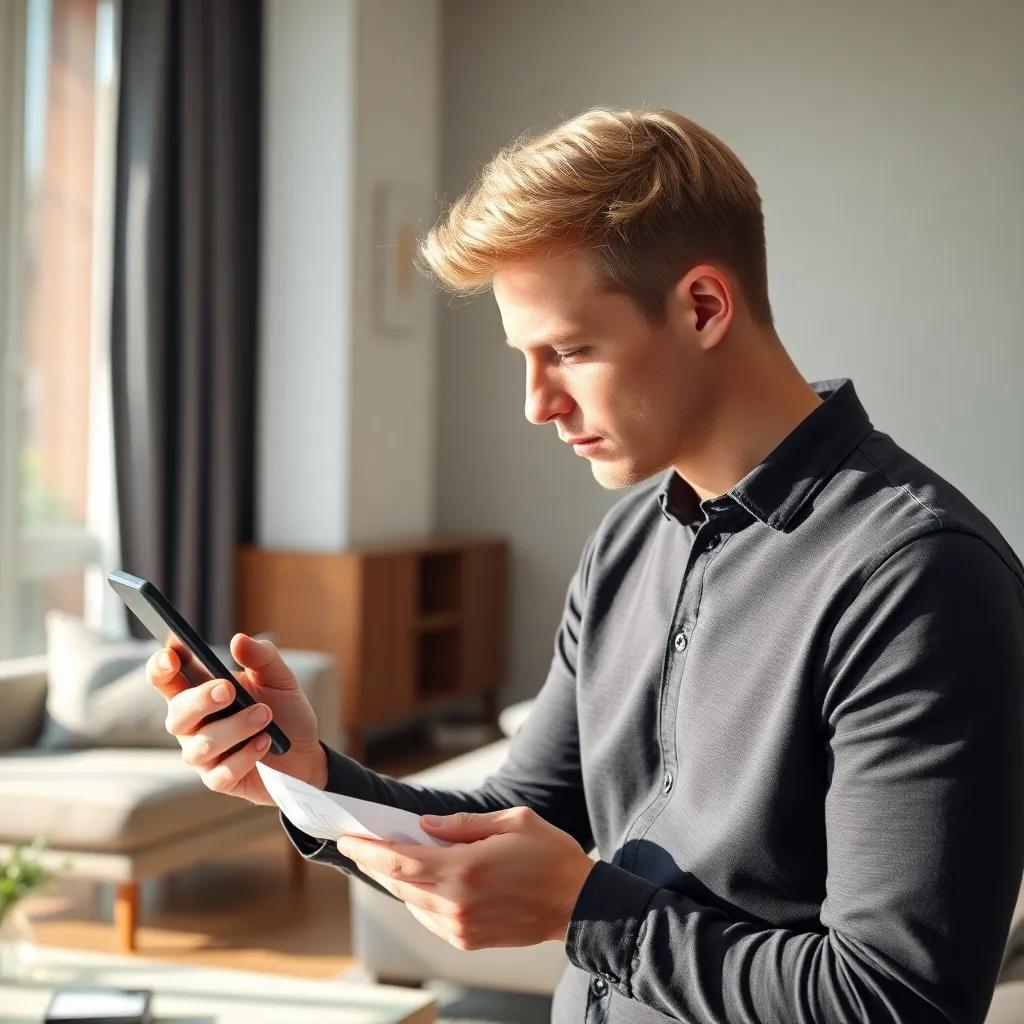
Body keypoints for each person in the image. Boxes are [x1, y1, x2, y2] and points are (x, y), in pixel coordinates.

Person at [148, 107, 1024, 1024]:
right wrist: (307, 778)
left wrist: (585, 909)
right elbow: (522, 809)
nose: (537, 403)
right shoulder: (629, 542)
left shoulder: (917, 580)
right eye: (525, 357)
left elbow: (899, 1001)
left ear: (703, 307)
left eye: (568, 351)